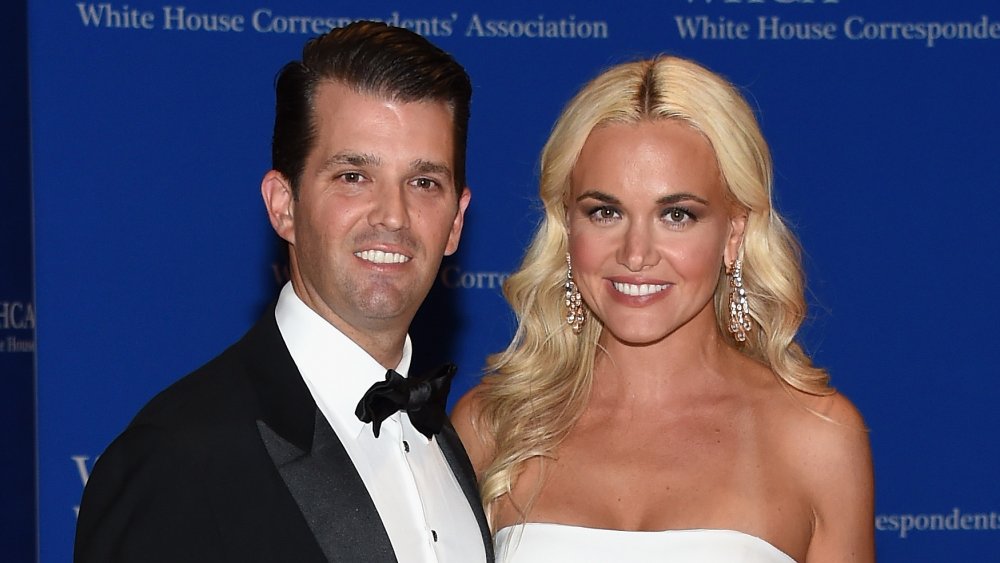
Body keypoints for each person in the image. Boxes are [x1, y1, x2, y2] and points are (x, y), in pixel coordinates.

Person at [75, 21, 493, 563]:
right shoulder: (175, 458)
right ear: (283, 204)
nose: (394, 215)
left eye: (423, 183)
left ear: (456, 221)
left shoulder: (449, 446)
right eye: (353, 176)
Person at [453, 56, 874, 562]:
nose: (636, 254)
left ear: (733, 233)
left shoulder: (815, 438)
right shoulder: (491, 425)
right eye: (605, 212)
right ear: (568, 227)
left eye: (677, 215)